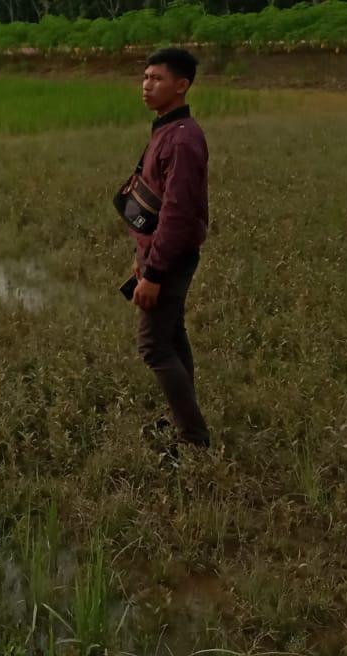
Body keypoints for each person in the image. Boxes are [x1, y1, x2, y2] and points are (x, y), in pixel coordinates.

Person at [116, 47, 211, 449]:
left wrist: (154, 271)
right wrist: (143, 259)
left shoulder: (184, 140)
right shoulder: (166, 130)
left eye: (157, 78)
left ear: (182, 85)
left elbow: (177, 213)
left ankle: (192, 440)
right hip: (159, 255)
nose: (146, 85)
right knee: (172, 337)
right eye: (145, 77)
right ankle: (184, 424)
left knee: (154, 346)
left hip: (169, 258)